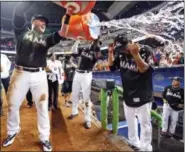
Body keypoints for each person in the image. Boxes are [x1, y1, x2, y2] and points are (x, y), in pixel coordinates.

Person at [2, 1, 73, 151]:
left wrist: (68, 15)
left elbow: (63, 33)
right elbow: (18, 11)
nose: (43, 24)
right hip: (20, 73)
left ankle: (45, 137)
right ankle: (12, 131)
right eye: (41, 21)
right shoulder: (21, 32)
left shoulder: (46, 38)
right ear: (33, 22)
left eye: (45, 23)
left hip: (40, 75)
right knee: (13, 105)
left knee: (42, 107)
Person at [108, 34, 154, 151]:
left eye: (124, 47)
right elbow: (112, 66)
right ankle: (134, 143)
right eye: (120, 48)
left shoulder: (145, 50)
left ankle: (146, 148)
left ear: (131, 42)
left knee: (145, 125)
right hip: (128, 93)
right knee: (131, 122)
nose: (123, 50)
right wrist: (110, 53)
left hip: (142, 93)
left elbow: (144, 69)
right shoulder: (121, 53)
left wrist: (136, 54)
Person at [68, 39, 101, 129]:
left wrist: (96, 45)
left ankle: (87, 119)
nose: (95, 43)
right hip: (78, 73)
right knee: (74, 94)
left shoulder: (96, 52)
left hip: (87, 75)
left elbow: (98, 57)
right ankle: (74, 111)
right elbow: (74, 52)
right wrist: (77, 41)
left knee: (86, 98)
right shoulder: (84, 49)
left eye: (96, 43)